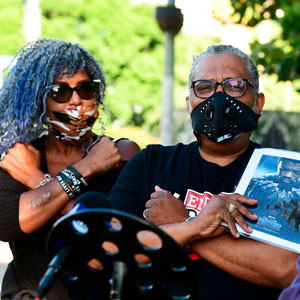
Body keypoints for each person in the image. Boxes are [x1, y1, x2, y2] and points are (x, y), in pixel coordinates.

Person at [109, 45, 298, 300]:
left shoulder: (287, 175)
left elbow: (287, 270)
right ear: (189, 104)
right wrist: (198, 225)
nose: (218, 98)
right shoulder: (150, 162)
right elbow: (111, 247)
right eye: (204, 88)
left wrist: (184, 224)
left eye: (234, 85)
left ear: (258, 102)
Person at [0, 38, 140, 300]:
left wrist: (35, 180)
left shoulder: (122, 154)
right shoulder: (20, 156)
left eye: (85, 89)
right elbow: (7, 225)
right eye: (59, 91)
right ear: (38, 100)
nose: (75, 100)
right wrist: (87, 168)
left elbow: (109, 241)